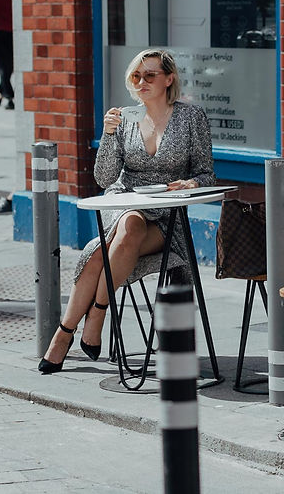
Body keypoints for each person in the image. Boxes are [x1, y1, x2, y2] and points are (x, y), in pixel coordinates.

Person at [38, 49, 214, 373]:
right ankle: (90, 319)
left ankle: (73, 329)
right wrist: (107, 134)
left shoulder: (191, 118)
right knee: (130, 225)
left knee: (97, 253)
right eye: (137, 76)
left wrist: (190, 183)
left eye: (150, 75)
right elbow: (104, 178)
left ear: (168, 78)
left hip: (166, 214)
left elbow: (206, 173)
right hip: (126, 202)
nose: (142, 82)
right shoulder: (124, 118)